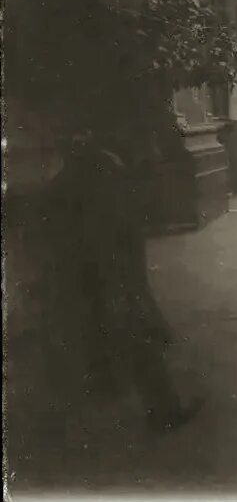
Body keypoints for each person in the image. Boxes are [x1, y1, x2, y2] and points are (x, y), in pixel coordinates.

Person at [49, 123, 202, 431]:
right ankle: (164, 412)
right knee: (141, 339)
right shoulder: (109, 171)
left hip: (88, 271)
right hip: (115, 272)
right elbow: (120, 228)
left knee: (104, 332)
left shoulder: (69, 175)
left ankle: (110, 389)